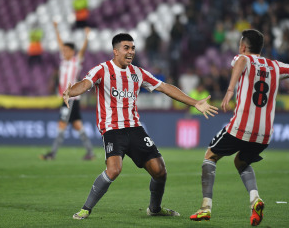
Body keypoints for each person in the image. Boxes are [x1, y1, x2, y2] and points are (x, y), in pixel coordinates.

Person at [61, 33, 219, 220]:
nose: (130, 52)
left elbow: (164, 87)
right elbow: (85, 84)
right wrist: (70, 91)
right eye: (126, 48)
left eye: (133, 48)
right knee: (114, 169)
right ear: (116, 51)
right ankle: (86, 208)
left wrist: (194, 103)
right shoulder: (101, 70)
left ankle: (155, 208)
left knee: (160, 171)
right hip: (112, 128)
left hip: (135, 128)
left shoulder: (138, 73)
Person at [189, 29, 289, 226]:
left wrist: (230, 90)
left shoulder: (243, 58)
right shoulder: (275, 65)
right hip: (265, 134)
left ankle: (205, 208)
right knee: (241, 162)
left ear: (243, 47)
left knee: (210, 155)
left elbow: (242, 61)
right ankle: (255, 199)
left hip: (241, 127)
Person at [40, 21, 95, 160]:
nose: (63, 52)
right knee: (77, 125)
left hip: (70, 98)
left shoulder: (75, 61)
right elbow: (59, 43)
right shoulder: (63, 61)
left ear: (71, 52)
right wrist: (56, 28)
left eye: (66, 50)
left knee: (61, 124)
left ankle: (52, 153)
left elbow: (82, 50)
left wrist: (87, 36)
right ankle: (90, 152)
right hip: (69, 99)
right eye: (63, 50)